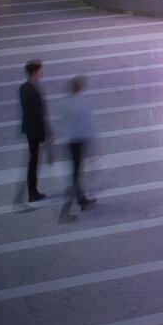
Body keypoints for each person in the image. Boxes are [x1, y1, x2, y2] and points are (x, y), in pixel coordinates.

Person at [59, 74, 98, 222]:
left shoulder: (64, 103)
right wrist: (94, 148)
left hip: (69, 142)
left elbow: (60, 124)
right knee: (75, 177)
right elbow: (87, 127)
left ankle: (83, 201)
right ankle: (64, 213)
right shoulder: (82, 104)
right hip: (80, 142)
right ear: (81, 88)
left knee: (76, 174)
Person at [17, 59, 49, 207]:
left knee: (33, 160)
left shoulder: (23, 88)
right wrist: (45, 134)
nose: (42, 73)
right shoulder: (34, 91)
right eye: (40, 70)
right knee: (34, 162)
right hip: (35, 130)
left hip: (29, 129)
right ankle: (32, 193)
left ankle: (32, 191)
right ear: (35, 72)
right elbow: (38, 115)